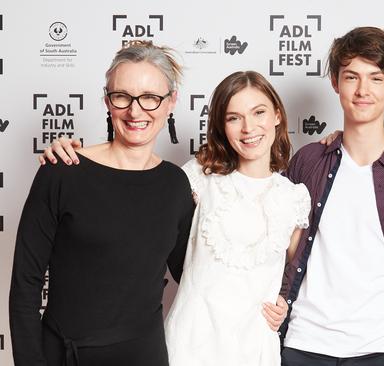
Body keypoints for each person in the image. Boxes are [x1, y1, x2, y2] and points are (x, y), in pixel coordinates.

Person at [10, 41, 195, 366]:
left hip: (144, 357)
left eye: (150, 97)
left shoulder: (176, 185)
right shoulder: (62, 172)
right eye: (122, 96)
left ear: (171, 102)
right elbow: (26, 283)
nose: (135, 111)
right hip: (65, 355)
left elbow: (195, 274)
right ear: (107, 101)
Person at [280, 27, 384, 366]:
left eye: (376, 78)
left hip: (382, 346)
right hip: (305, 342)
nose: (362, 91)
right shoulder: (309, 160)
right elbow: (281, 245)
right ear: (334, 82)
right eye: (351, 77)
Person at [163, 70, 310, 366]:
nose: (248, 128)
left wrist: (285, 303)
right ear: (221, 126)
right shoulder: (198, 178)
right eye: (234, 118)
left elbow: (300, 277)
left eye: (259, 112)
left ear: (278, 115)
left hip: (254, 348)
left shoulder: (294, 198)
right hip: (190, 345)